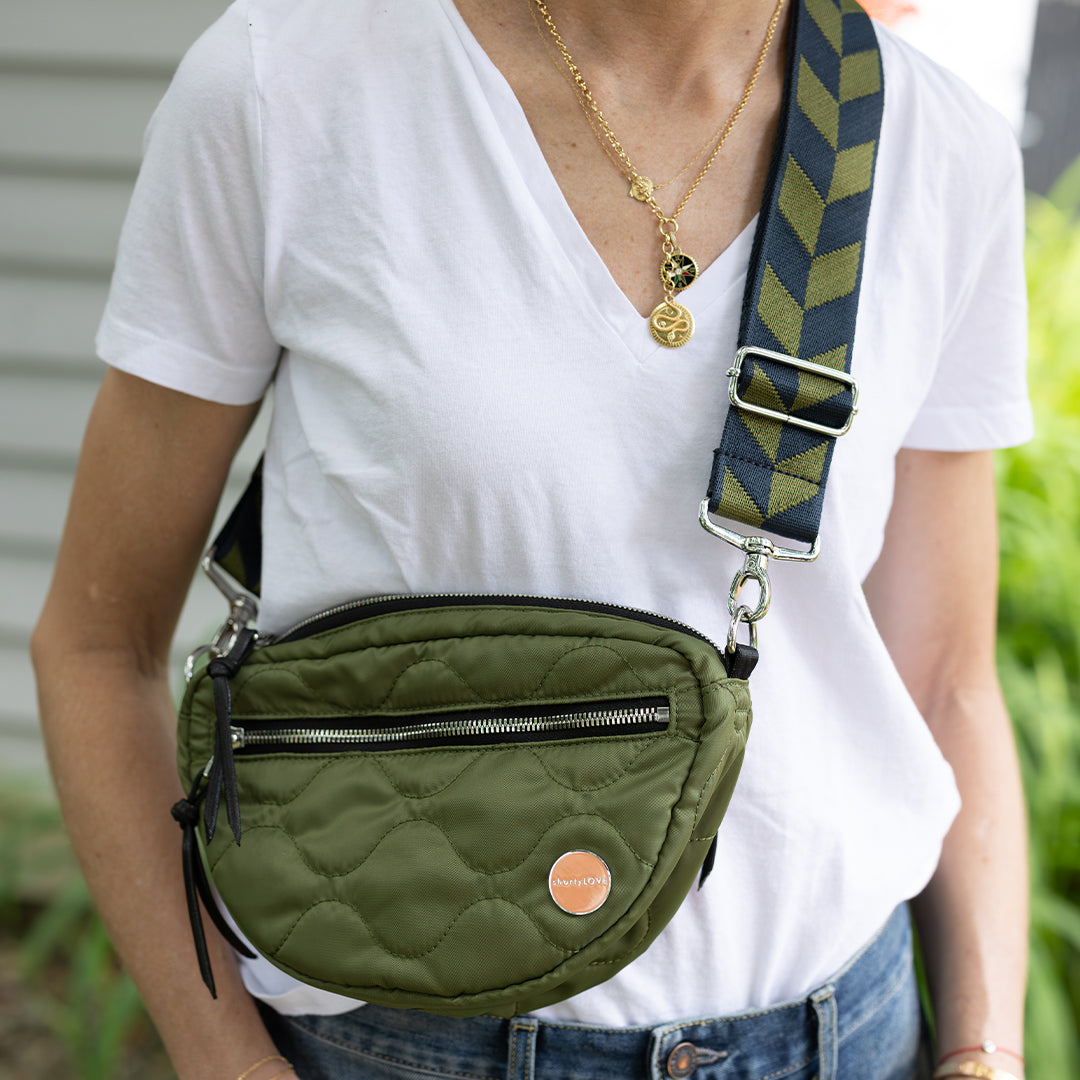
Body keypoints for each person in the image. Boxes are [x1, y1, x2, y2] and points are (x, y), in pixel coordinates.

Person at [31, 0, 1032, 1077]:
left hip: (845, 1038)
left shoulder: (937, 148)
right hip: (404, 1048)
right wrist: (226, 1059)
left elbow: (943, 683)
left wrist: (984, 1046)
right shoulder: (287, 86)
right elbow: (98, 647)